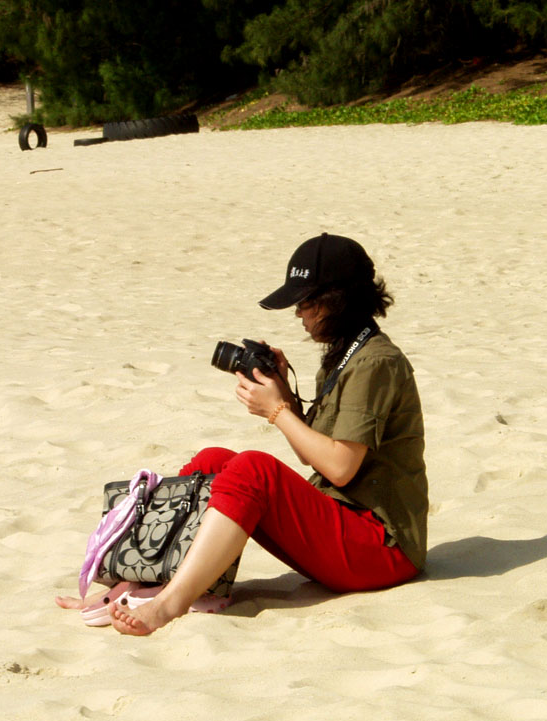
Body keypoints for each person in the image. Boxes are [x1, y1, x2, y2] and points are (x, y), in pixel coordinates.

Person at [57, 233, 429, 636]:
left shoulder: (376, 362)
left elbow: (339, 467)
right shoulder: (344, 353)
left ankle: (169, 604)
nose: (299, 315)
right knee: (214, 461)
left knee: (255, 468)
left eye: (305, 302)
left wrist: (277, 411)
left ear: (337, 299)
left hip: (382, 548)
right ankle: (141, 578)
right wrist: (285, 394)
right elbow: (316, 456)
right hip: (345, 525)